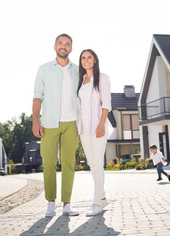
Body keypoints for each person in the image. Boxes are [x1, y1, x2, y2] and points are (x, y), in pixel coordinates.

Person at [32, 33, 79, 217]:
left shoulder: (77, 70)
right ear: (54, 46)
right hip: (49, 123)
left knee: (68, 163)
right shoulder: (44, 69)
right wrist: (35, 121)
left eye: (67, 44)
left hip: (71, 122)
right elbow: (37, 96)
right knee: (49, 162)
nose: (63, 46)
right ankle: (50, 202)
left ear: (71, 49)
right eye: (60, 43)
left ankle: (67, 203)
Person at [77, 49, 113, 216]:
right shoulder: (82, 80)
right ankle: (103, 197)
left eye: (89, 57)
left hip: (98, 126)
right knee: (92, 164)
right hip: (83, 128)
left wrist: (100, 125)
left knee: (97, 164)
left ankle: (97, 201)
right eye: (83, 58)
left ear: (95, 60)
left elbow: (106, 103)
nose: (86, 60)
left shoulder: (103, 78)